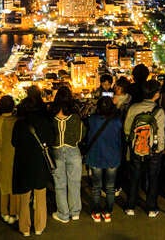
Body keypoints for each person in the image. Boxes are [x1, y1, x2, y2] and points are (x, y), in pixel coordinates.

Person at [12, 88, 55, 237]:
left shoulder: (19, 124)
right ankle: (39, 227)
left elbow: (14, 142)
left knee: (24, 198)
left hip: (23, 163)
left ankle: (24, 228)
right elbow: (51, 140)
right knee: (40, 197)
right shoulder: (44, 121)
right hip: (40, 163)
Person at [124, 79, 165, 217]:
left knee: (135, 176)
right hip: (153, 150)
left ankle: (130, 206)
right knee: (153, 178)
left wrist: (132, 144)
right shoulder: (159, 111)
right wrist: (160, 149)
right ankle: (151, 208)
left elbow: (126, 130)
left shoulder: (133, 107)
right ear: (156, 94)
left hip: (136, 148)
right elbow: (160, 133)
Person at [50, 87, 85, 224]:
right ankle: (75, 211)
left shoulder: (51, 116)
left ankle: (63, 214)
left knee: (60, 184)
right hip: (74, 151)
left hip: (57, 151)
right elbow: (80, 134)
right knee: (75, 182)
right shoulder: (75, 116)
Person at [85, 96, 123, 222]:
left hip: (96, 156)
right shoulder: (117, 121)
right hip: (112, 157)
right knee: (110, 187)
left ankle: (96, 212)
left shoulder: (92, 120)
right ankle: (108, 212)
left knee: (96, 186)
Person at [0, 96, 19, 225]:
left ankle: (4, 212)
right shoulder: (16, 121)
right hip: (14, 157)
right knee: (13, 185)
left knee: (3, 187)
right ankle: (14, 212)